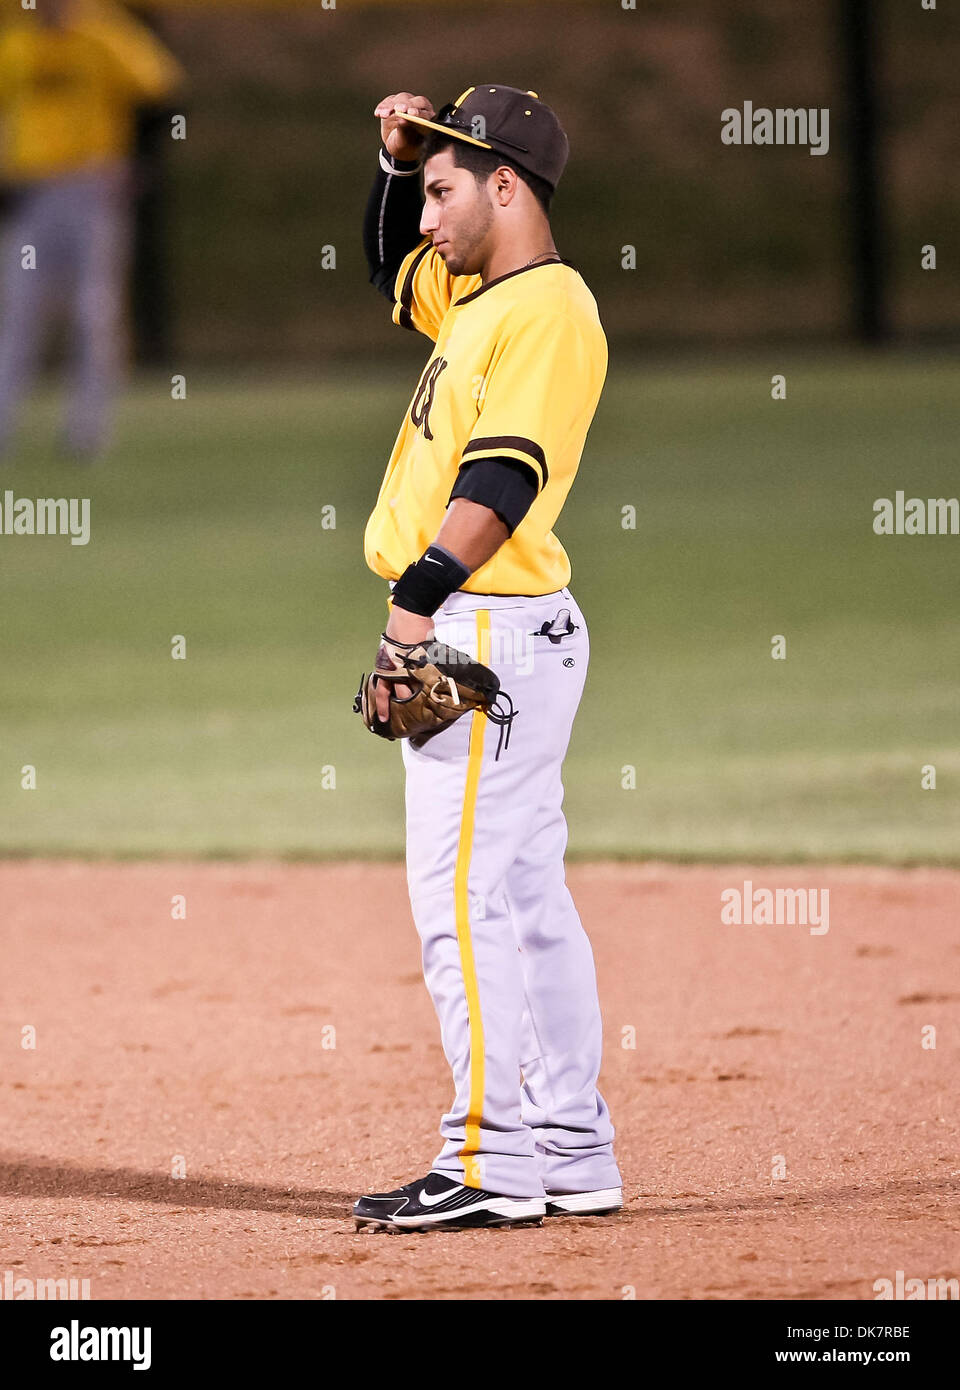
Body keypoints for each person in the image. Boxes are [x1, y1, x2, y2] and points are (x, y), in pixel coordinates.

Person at [353, 86, 622, 1231]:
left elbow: (501, 481)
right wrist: (393, 156)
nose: (426, 219)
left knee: (456, 896)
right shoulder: (480, 295)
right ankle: (569, 1141)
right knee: (522, 895)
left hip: (481, 629)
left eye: (444, 190)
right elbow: (384, 266)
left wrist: (414, 608)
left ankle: (488, 1158)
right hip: (509, 631)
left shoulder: (548, 310)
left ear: (506, 186)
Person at [0, 0, 182, 461]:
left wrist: (142, 163)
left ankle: (87, 432)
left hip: (89, 187)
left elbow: (163, 92)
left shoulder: (102, 34)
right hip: (31, 190)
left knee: (93, 311)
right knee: (18, 312)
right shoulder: (17, 40)